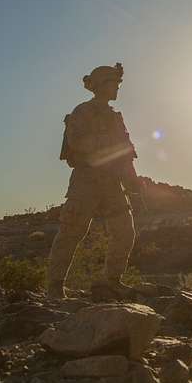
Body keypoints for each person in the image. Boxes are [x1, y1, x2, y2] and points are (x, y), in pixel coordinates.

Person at [47, 63, 144, 300]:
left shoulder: (115, 117)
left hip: (112, 183)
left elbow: (125, 152)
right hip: (86, 180)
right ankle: (55, 286)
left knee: (125, 232)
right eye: (114, 83)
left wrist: (133, 185)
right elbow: (76, 143)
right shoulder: (82, 112)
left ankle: (112, 281)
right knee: (72, 231)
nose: (117, 88)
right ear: (101, 85)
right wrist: (105, 146)